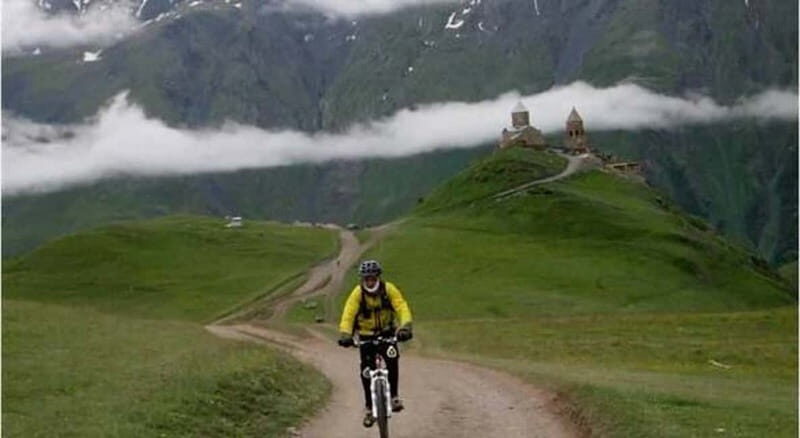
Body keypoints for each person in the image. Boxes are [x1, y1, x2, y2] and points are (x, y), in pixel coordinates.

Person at [337, 259, 413, 428]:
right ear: (362, 279)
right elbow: (348, 314)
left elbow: (401, 306)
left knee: (392, 359)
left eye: (372, 277)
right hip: (365, 336)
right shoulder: (357, 294)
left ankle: (394, 397)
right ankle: (369, 409)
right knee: (366, 371)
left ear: (378, 277)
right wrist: (345, 334)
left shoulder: (388, 289)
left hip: (387, 333)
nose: (370, 281)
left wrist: (405, 326)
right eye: (366, 278)